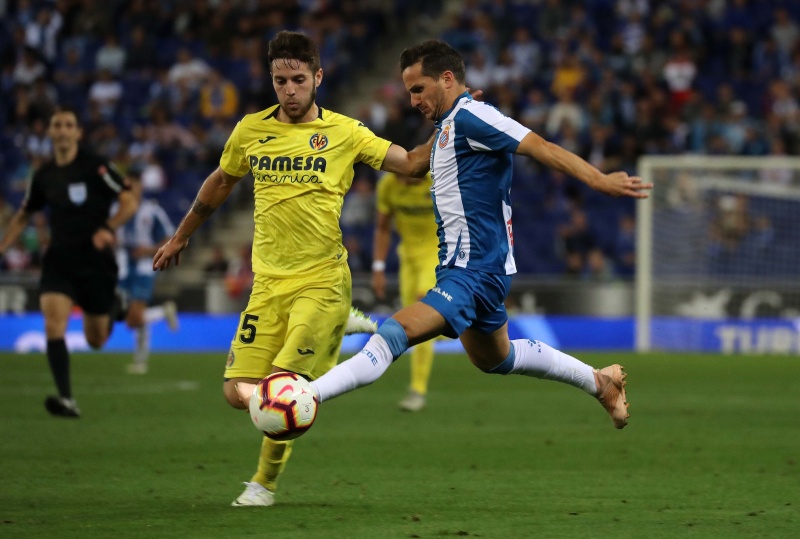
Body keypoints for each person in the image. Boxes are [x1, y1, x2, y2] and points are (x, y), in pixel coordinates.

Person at [308, 41, 653, 433]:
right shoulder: (449, 126)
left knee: (393, 333)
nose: (413, 100)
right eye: (409, 92)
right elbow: (413, 163)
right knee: (495, 358)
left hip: (474, 271)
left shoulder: (475, 117)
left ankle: (306, 396)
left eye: (419, 89)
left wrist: (599, 180)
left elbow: (539, 146)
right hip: (467, 269)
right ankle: (600, 382)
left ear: (447, 79)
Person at [152, 31, 434, 507]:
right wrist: (182, 235)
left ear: (318, 77)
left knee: (283, 390)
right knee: (235, 392)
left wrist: (451, 125)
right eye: (280, 81)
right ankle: (338, 330)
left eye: (299, 79)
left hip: (322, 281)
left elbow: (409, 164)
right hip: (268, 283)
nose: (289, 90)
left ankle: (262, 484)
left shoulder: (345, 132)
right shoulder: (250, 130)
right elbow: (221, 180)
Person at [0, 105, 138, 417]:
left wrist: (108, 228)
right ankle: (66, 399)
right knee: (53, 323)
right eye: (57, 125)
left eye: (68, 125)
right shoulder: (44, 175)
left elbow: (129, 201)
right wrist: (4, 245)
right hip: (59, 259)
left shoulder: (97, 167)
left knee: (96, 339)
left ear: (77, 132)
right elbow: (24, 214)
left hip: (95, 261)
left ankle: (114, 304)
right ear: (50, 132)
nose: (62, 130)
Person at [372, 171, 439, 412]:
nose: (403, 179)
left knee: (421, 316)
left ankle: (417, 390)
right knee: (416, 323)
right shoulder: (388, 185)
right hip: (407, 259)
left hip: (436, 254)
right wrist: (378, 268)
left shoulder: (438, 179)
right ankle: (451, 324)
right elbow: (383, 227)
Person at [116, 170, 179, 375]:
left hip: (144, 267)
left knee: (135, 317)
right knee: (132, 319)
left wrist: (148, 250)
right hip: (122, 266)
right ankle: (141, 360)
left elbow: (169, 239)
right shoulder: (115, 209)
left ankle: (141, 360)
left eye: (133, 184)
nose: (130, 189)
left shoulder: (152, 210)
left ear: (141, 186)